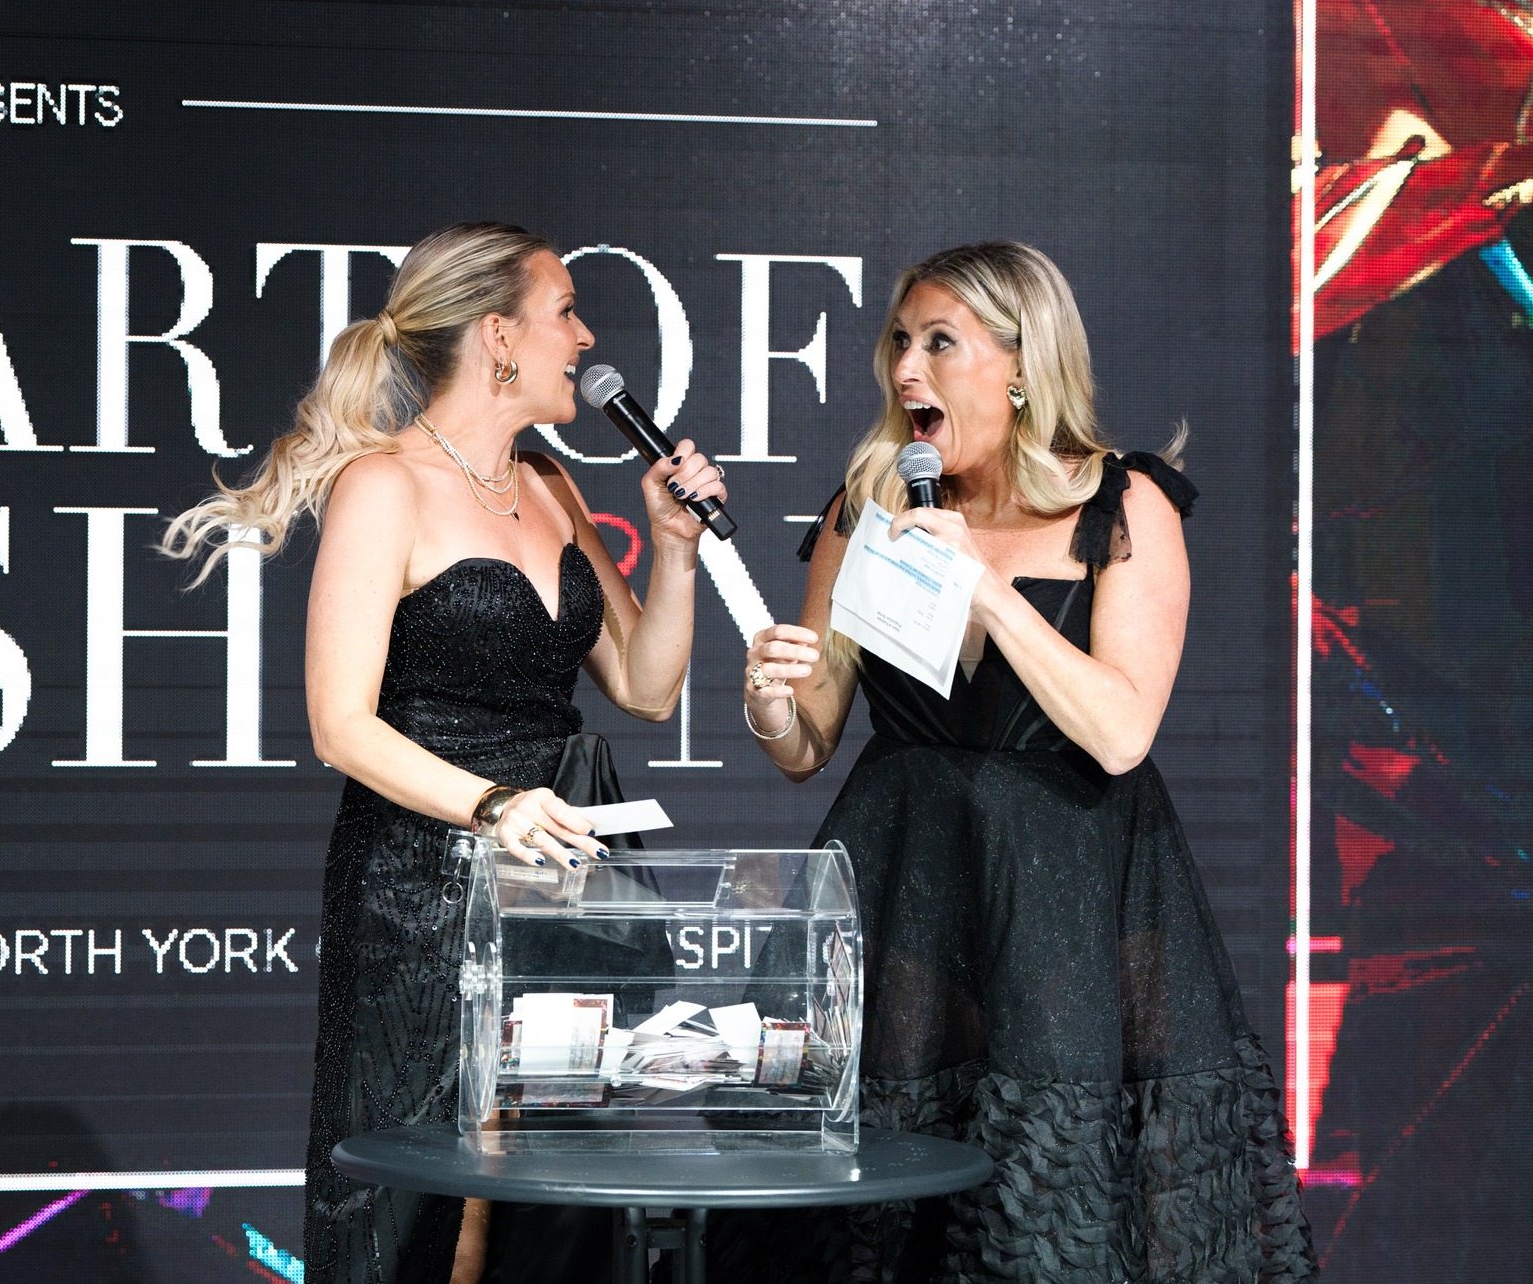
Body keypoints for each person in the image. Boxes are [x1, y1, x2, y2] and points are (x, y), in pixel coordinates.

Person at [721, 242, 1317, 1281]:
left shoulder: (1122, 504)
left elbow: (1121, 730)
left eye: (938, 343)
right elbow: (806, 745)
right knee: (879, 1215)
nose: (906, 368)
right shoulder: (869, 505)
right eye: (898, 342)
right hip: (907, 895)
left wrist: (986, 589)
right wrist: (770, 699)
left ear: (1022, 365)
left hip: (1064, 910)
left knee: (1044, 1207)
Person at [162, 221, 726, 1284]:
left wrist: (677, 548)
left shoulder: (550, 484)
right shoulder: (385, 485)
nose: (586, 338)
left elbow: (647, 686)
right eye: (566, 312)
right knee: (426, 1206)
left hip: (557, 892)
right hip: (420, 889)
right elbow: (339, 723)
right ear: (498, 337)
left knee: (542, 1208)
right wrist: (493, 804)